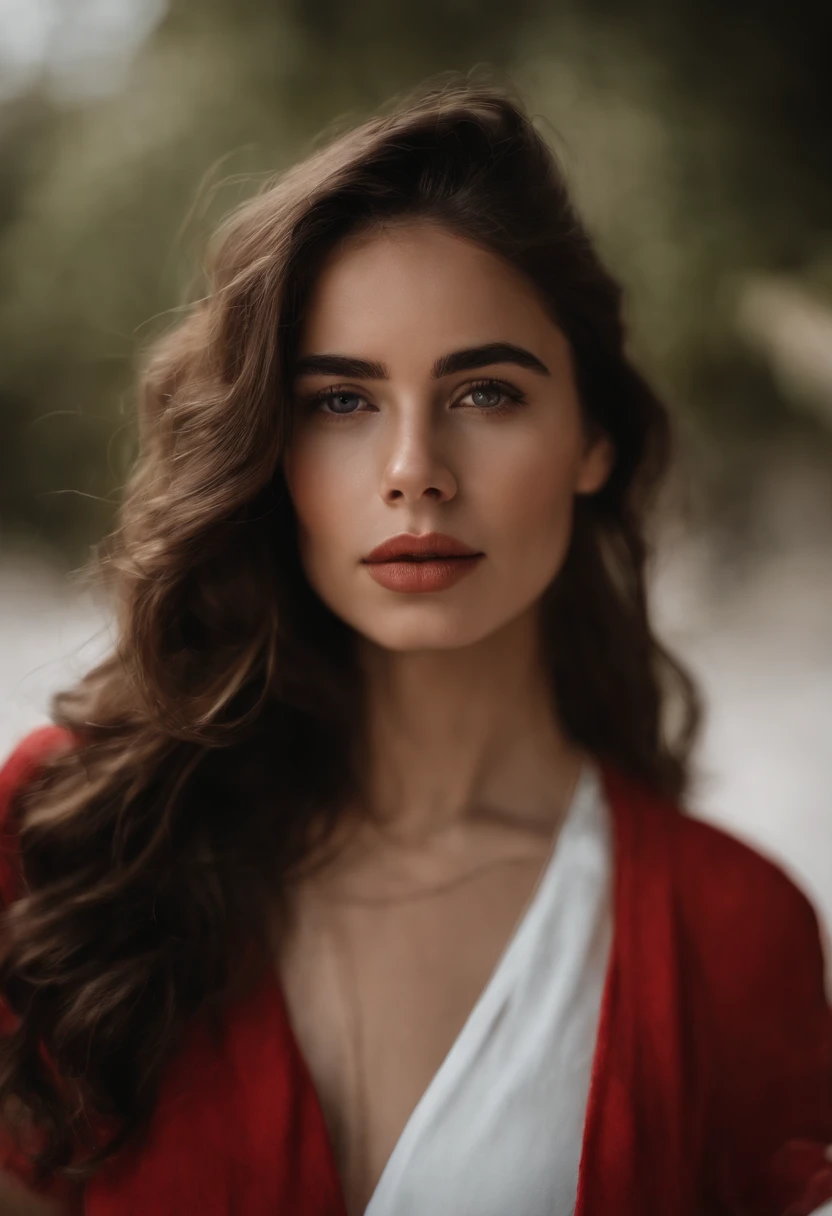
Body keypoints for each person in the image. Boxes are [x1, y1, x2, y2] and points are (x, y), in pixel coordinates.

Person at [0, 74, 830, 1216]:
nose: (413, 469)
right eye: (340, 403)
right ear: (269, 449)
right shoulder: (65, 840)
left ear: (591, 436)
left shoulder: (735, 934)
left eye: (485, 392)